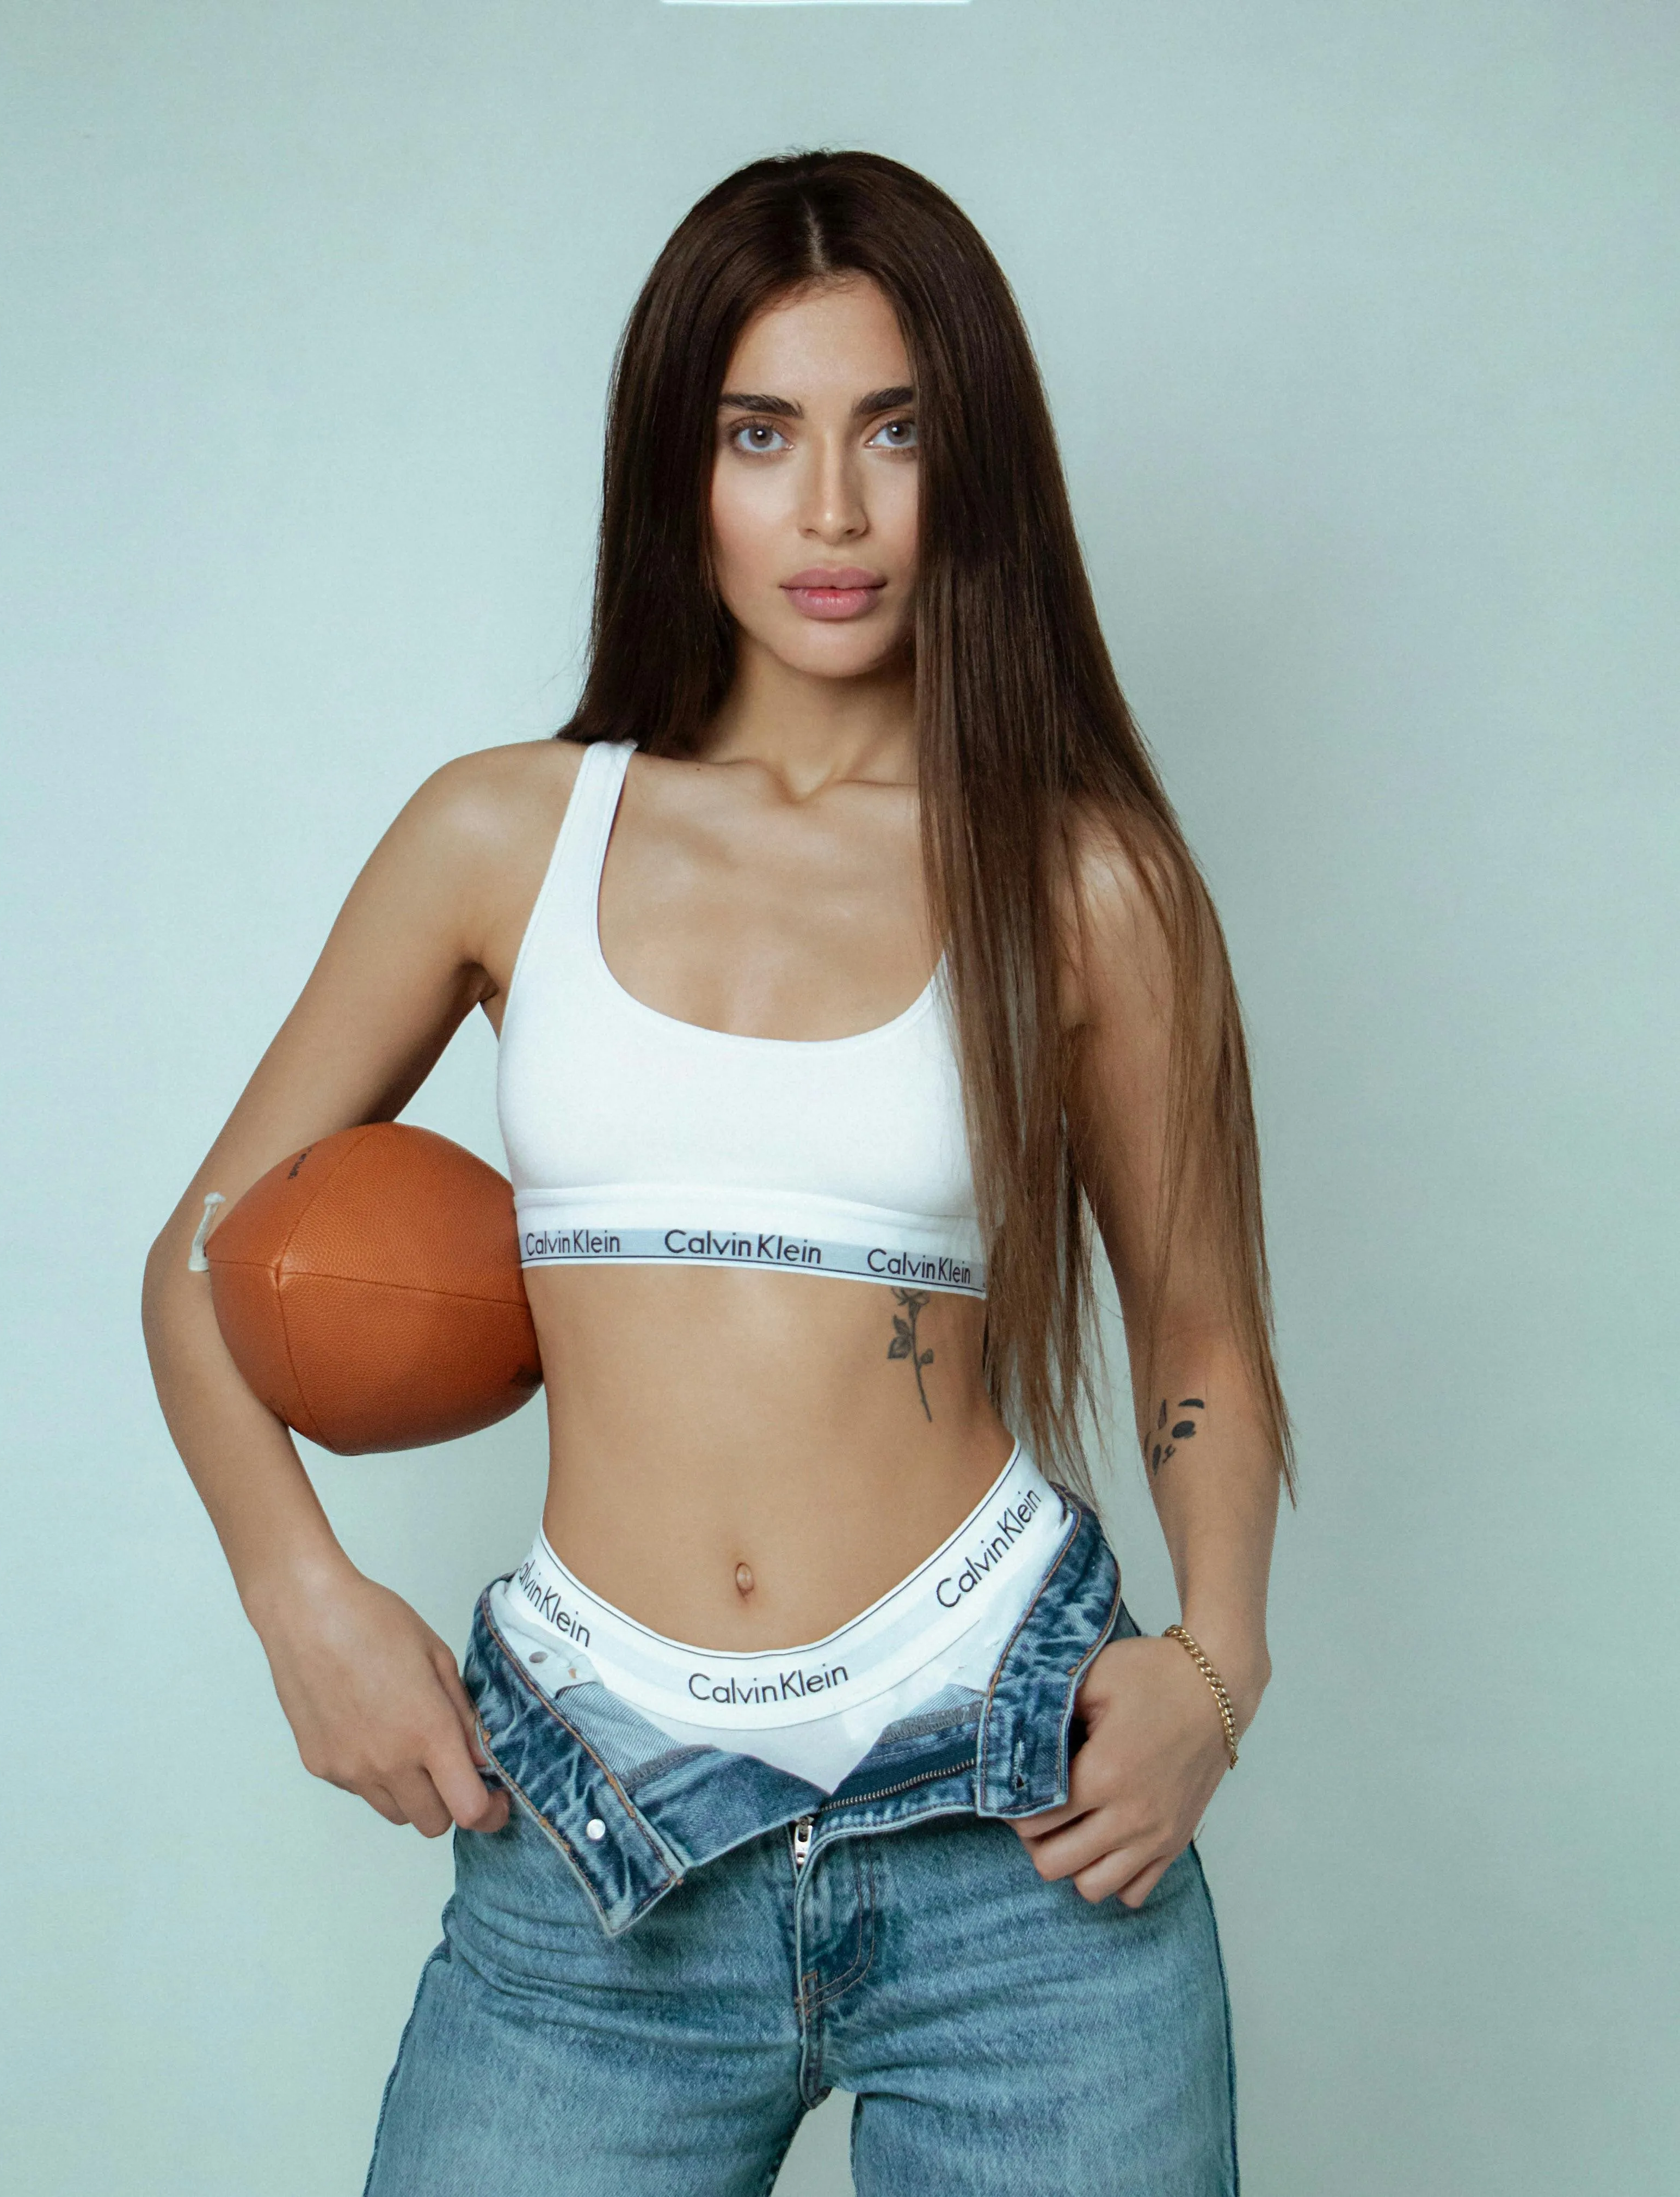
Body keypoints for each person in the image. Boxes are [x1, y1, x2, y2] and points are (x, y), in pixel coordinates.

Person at [141, 149, 1293, 2196]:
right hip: (592, 1839)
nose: (831, 513)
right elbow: (207, 1258)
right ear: (681, 464)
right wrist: (294, 1590)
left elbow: (1197, 1318)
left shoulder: (1088, 882)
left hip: (1015, 1841)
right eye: (763, 435)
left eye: (894, 433)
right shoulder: (502, 835)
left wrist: (1215, 1660)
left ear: (980, 471)